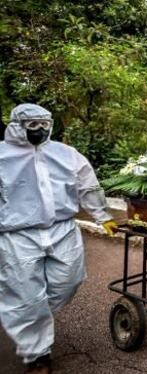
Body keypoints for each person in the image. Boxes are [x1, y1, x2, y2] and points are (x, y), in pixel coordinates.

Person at [0, 103, 118, 374]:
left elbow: (88, 185)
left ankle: (32, 318)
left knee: (70, 280)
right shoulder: (2, 156)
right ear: (17, 126)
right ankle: (37, 356)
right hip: (17, 234)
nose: (40, 130)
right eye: (33, 125)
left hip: (63, 229)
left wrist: (103, 215)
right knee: (24, 293)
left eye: (44, 125)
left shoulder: (66, 154)